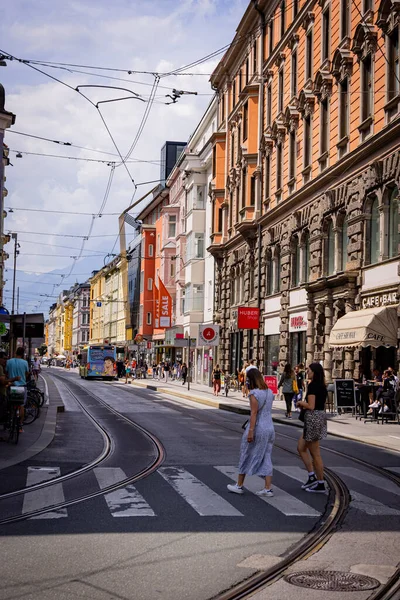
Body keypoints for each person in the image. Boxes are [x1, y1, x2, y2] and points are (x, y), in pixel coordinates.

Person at [227, 368, 275, 496]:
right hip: (270, 428)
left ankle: (239, 485)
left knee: (246, 453)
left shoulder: (254, 394)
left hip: (258, 428)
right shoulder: (270, 392)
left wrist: (250, 432)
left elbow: (254, 413)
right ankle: (267, 488)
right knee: (267, 455)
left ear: (251, 380)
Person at [297, 362, 328, 493]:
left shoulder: (313, 385)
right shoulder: (322, 385)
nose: (307, 372)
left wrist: (300, 402)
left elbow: (311, 405)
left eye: (309, 370)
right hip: (318, 418)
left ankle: (320, 483)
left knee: (315, 454)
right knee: (301, 447)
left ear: (314, 372)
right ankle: (311, 476)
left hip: (313, 419)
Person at [6, 347, 30, 431]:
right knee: (21, 406)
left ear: (15, 352)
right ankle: (20, 425)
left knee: (11, 405)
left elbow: (6, 372)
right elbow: (27, 373)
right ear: (23, 354)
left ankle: (11, 421)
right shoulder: (25, 362)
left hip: (11, 385)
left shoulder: (9, 362)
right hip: (21, 386)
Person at [0, 352, 21, 429]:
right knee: (18, 405)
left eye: (6, 359)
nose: (6, 361)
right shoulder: (0, 367)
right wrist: (14, 379)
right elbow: (2, 381)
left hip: (10, 388)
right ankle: (19, 425)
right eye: (4, 359)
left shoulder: (6, 365)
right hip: (18, 386)